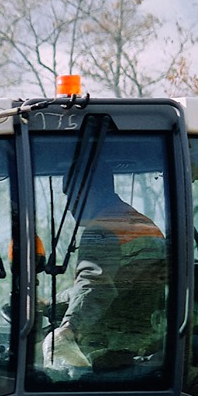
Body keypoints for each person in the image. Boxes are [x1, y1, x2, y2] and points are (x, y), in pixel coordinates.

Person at [47, 152, 169, 374]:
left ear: (90, 191)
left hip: (114, 347)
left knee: (52, 368)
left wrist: (69, 328)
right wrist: (51, 303)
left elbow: (96, 286)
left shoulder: (103, 229)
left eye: (72, 194)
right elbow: (118, 281)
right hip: (149, 342)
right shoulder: (141, 223)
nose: (69, 205)